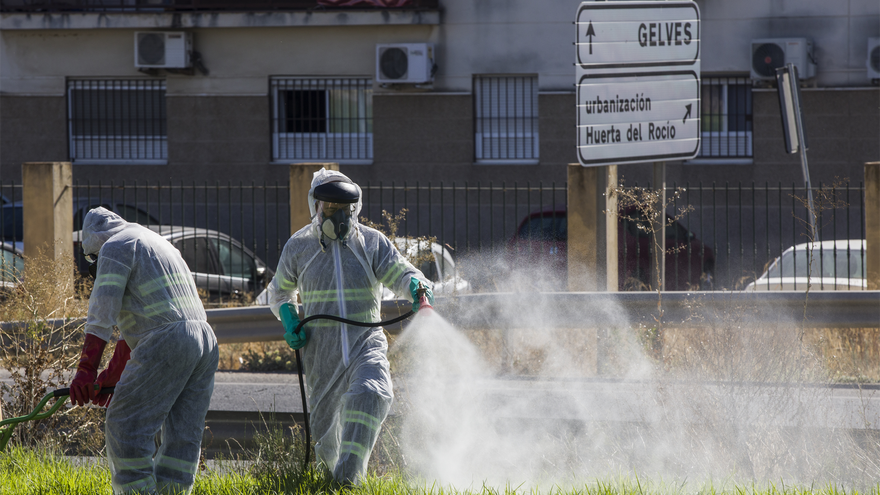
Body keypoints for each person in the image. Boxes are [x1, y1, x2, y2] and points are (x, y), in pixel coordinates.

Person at [266, 168, 433, 485]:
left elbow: (400, 272)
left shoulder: (371, 242)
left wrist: (416, 286)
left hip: (365, 343)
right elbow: (281, 290)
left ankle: (349, 480)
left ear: (354, 208)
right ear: (316, 205)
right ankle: (329, 480)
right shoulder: (298, 247)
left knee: (371, 393)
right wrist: (290, 320)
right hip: (321, 351)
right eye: (331, 208)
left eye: (345, 209)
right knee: (326, 435)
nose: (339, 216)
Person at [68, 207, 218, 495]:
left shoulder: (114, 248)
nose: (94, 264)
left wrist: (86, 371)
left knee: (125, 425)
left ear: (95, 243)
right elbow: (136, 332)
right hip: (203, 341)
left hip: (167, 341)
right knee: (181, 435)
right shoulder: (156, 242)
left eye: (91, 258)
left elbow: (101, 317)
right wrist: (110, 378)